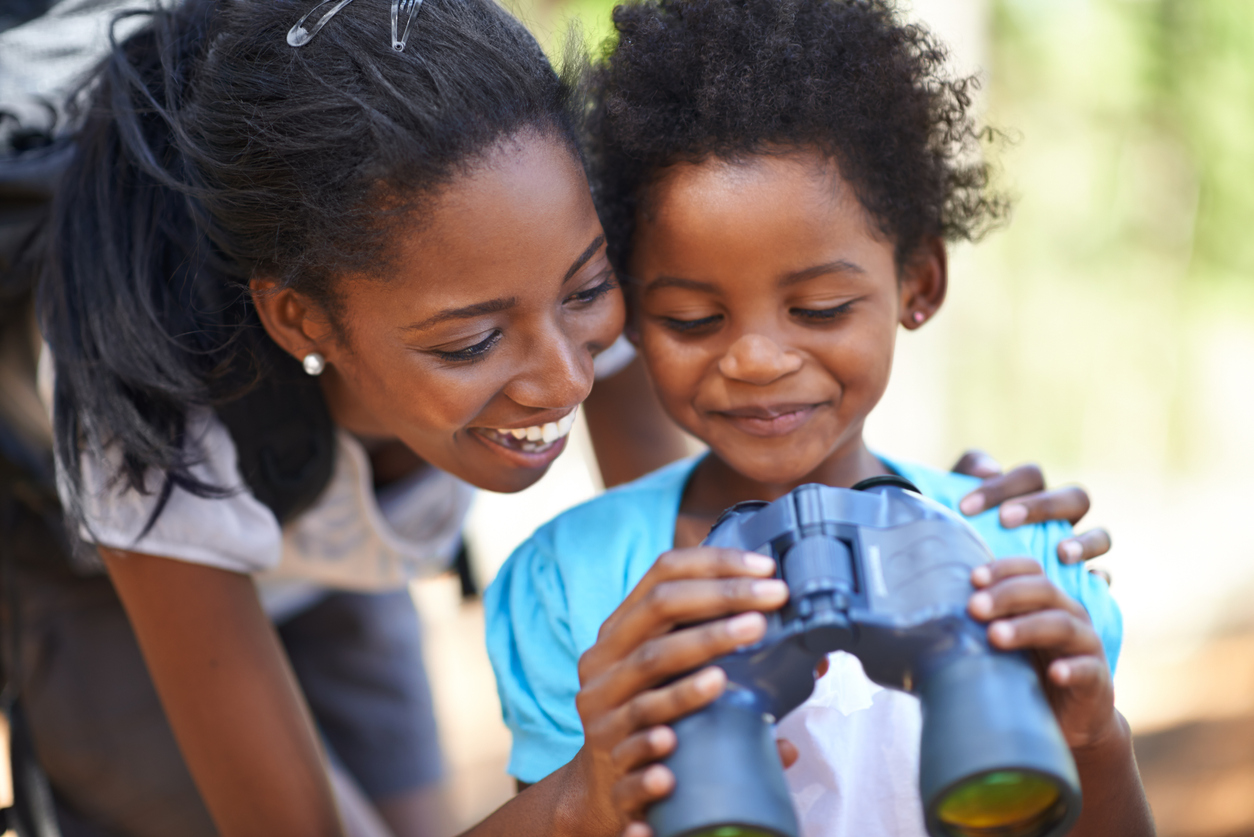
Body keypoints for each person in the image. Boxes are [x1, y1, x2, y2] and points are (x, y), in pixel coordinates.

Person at [24, 0, 1114, 835]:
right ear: (302, 315)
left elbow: (666, 535)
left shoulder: (554, 233)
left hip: (353, 511)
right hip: (113, 568)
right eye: (471, 340)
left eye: (593, 290)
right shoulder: (147, 423)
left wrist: (935, 518)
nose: (563, 377)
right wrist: (578, 795)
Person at [483, 1, 1155, 835]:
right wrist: (595, 781)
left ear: (918, 283)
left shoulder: (1021, 560)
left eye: (822, 307)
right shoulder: (573, 583)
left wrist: (1094, 743)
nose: (757, 359)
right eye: (693, 319)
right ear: (629, 312)